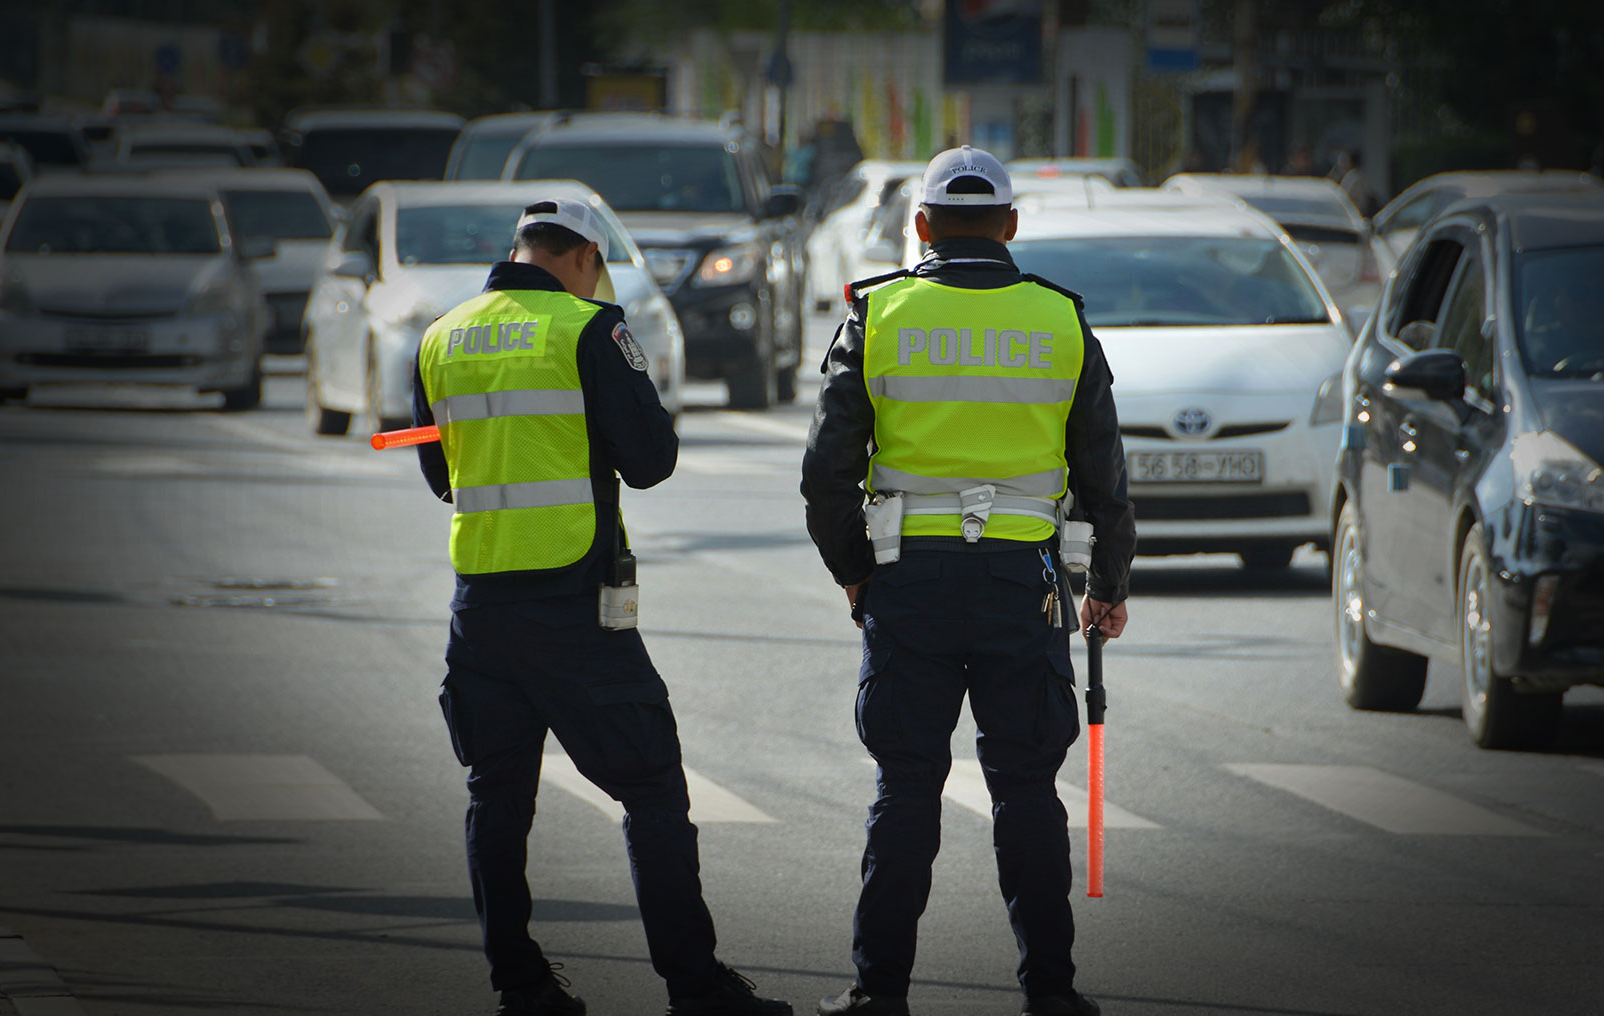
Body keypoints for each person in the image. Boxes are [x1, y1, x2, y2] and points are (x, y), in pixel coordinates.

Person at [410, 197, 793, 1016]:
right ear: (584, 254)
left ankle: (521, 986)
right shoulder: (588, 330)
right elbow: (651, 460)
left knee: (496, 794)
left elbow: (443, 475)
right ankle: (695, 987)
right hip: (573, 604)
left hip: (480, 603)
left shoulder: (442, 335)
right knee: (653, 788)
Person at [800, 147, 1136, 1016]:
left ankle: (879, 995)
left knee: (906, 785)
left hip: (908, 582)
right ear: (1012, 226)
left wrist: (855, 573)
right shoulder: (1061, 321)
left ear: (920, 226)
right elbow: (1103, 472)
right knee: (1027, 790)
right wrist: (1108, 582)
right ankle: (1051, 994)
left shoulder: (879, 313)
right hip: (1024, 588)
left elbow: (826, 471)